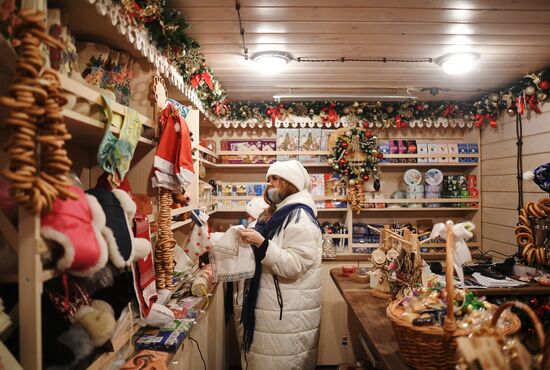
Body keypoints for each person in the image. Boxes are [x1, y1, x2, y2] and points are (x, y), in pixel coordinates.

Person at [237, 160, 323, 370]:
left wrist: (261, 243)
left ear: (289, 183)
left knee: (282, 361)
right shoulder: (277, 212)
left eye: (275, 179)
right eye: (268, 179)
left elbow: (293, 265)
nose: (270, 184)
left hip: (287, 311)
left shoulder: (299, 216)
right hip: (275, 307)